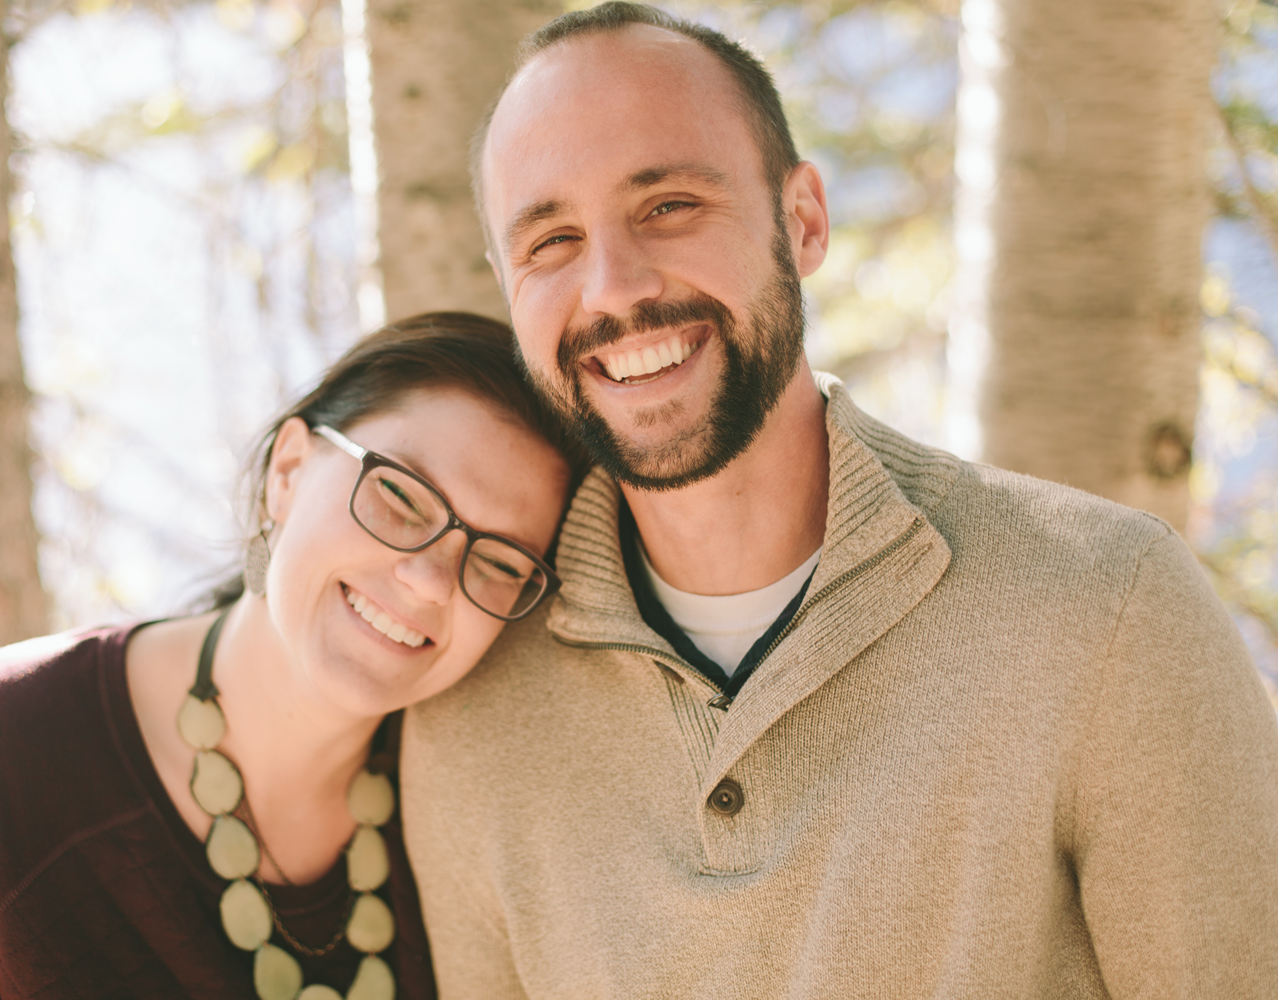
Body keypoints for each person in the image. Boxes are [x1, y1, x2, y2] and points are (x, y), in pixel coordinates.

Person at [401, 5, 1278, 998]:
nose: (615, 286)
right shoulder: (470, 714)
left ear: (803, 219)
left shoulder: (1108, 611)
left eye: (669, 206)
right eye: (550, 240)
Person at [0, 312, 581, 1000]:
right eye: (401, 496)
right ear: (290, 473)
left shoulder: (465, 813)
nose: (430, 579)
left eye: (500, 562)